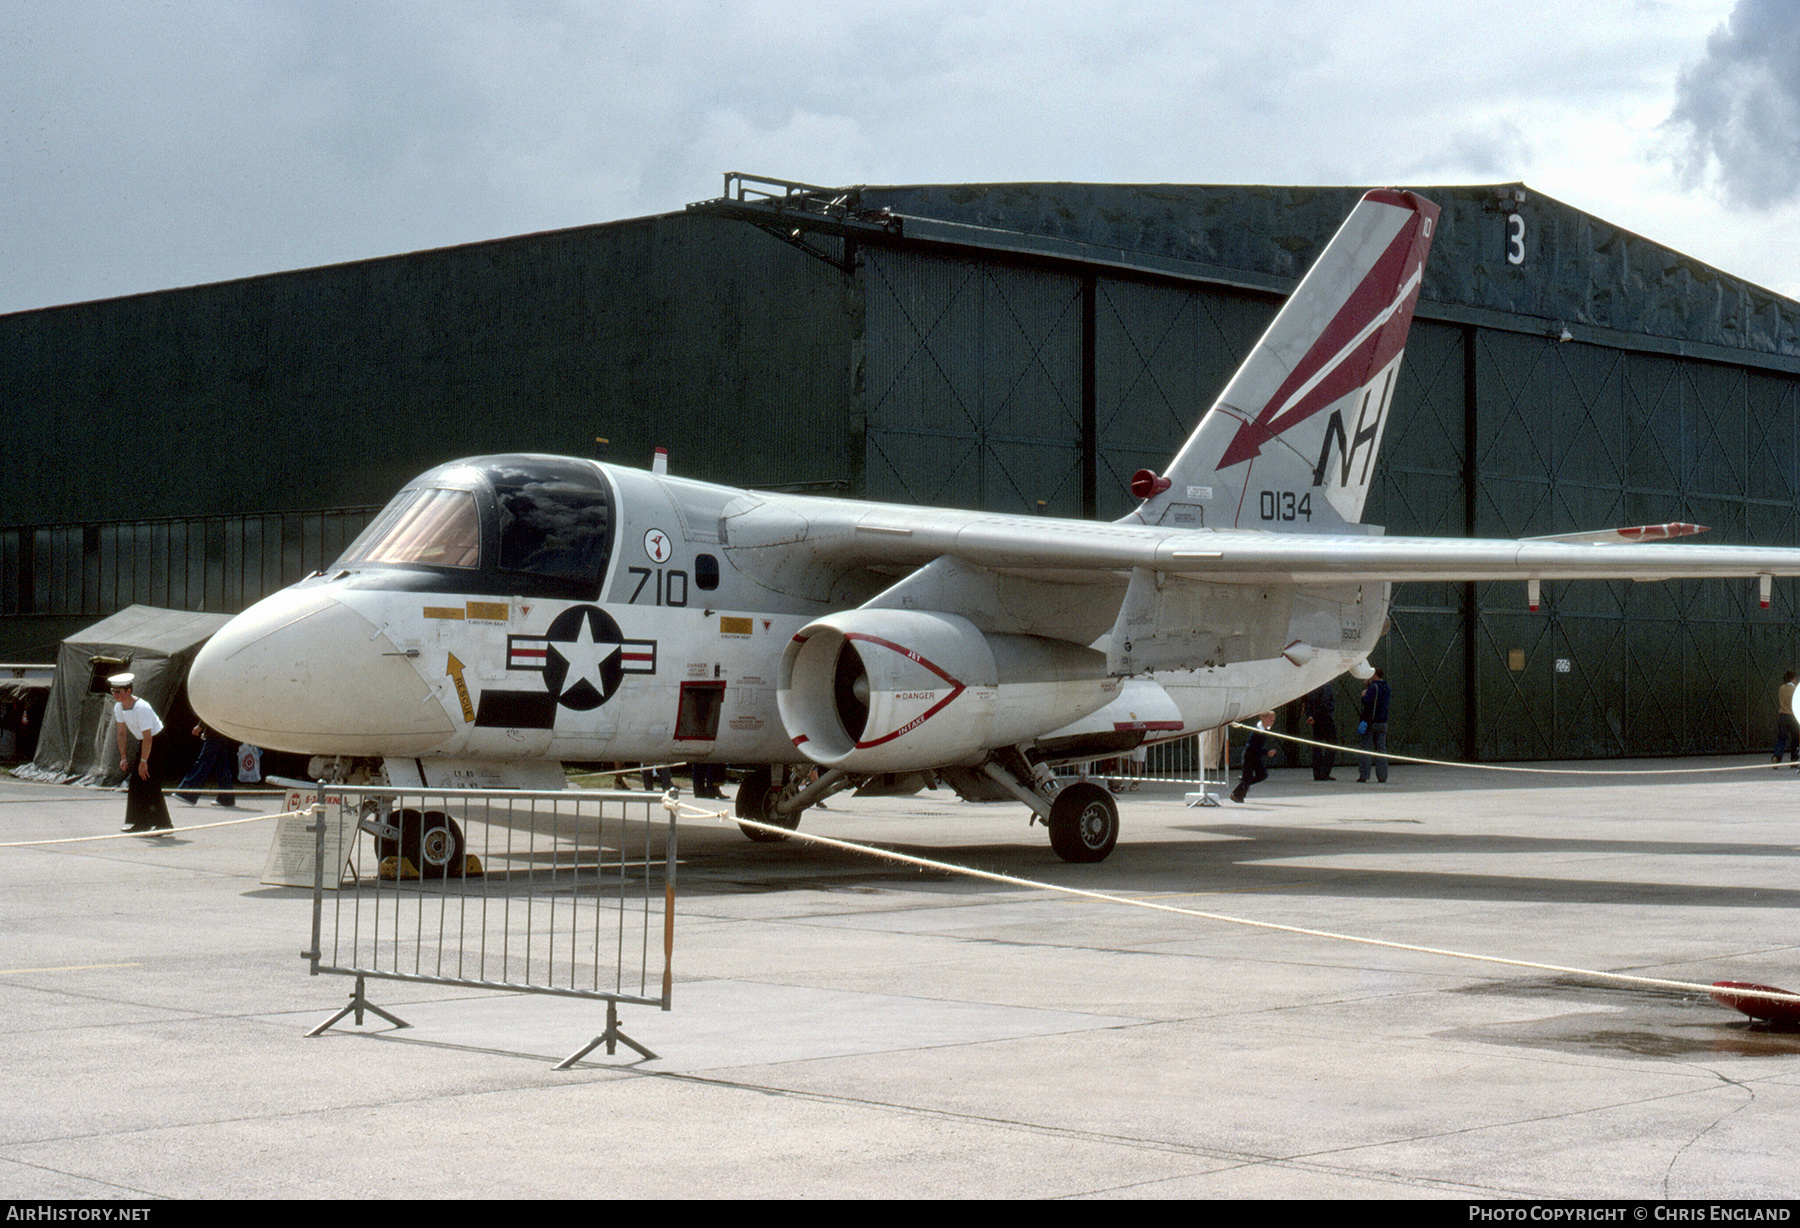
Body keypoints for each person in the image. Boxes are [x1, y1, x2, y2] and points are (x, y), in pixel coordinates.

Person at [110, 673, 173, 833]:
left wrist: (143, 761)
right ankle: (141, 823)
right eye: (113, 691)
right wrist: (123, 757)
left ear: (128, 691)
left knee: (149, 780)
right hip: (144, 742)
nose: (115, 695)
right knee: (137, 782)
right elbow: (121, 733)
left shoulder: (141, 708)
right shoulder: (119, 707)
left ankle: (164, 824)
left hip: (156, 742)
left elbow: (148, 737)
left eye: (118, 692)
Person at [175, 721, 237, 806]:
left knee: (204, 761)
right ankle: (227, 797)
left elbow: (211, 710)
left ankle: (188, 793)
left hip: (215, 727)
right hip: (220, 727)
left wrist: (200, 726)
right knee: (221, 763)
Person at [1230, 711, 1275, 803]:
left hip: (1256, 756)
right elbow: (1252, 747)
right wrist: (1267, 752)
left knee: (1262, 775)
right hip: (1249, 756)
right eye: (1270, 720)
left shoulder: (1263, 730)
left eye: (1273, 721)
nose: (1272, 722)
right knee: (1248, 778)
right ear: (1264, 718)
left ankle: (1243, 783)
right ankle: (1237, 795)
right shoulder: (1258, 731)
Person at [1357, 668, 1392, 783]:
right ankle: (1382, 776)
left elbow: (1367, 702)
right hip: (1383, 722)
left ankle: (1364, 775)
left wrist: (1363, 695)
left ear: (1375, 675)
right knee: (1381, 750)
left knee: (1366, 749)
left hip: (1371, 722)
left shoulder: (1373, 687)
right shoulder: (1387, 687)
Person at [1304, 683, 1338, 781]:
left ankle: (1317, 772)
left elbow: (1308, 703)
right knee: (1333, 744)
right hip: (1325, 718)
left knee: (1317, 746)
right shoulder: (1326, 687)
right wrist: (1315, 716)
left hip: (1315, 720)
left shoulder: (1313, 687)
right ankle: (1324, 772)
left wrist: (1310, 716)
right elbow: (1324, 702)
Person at [1774, 671, 1799, 767]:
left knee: (1781, 738)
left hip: (1782, 716)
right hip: (1793, 717)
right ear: (1792, 679)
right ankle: (1794, 760)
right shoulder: (1795, 690)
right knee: (1795, 739)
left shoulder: (1781, 688)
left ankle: (1777, 756)